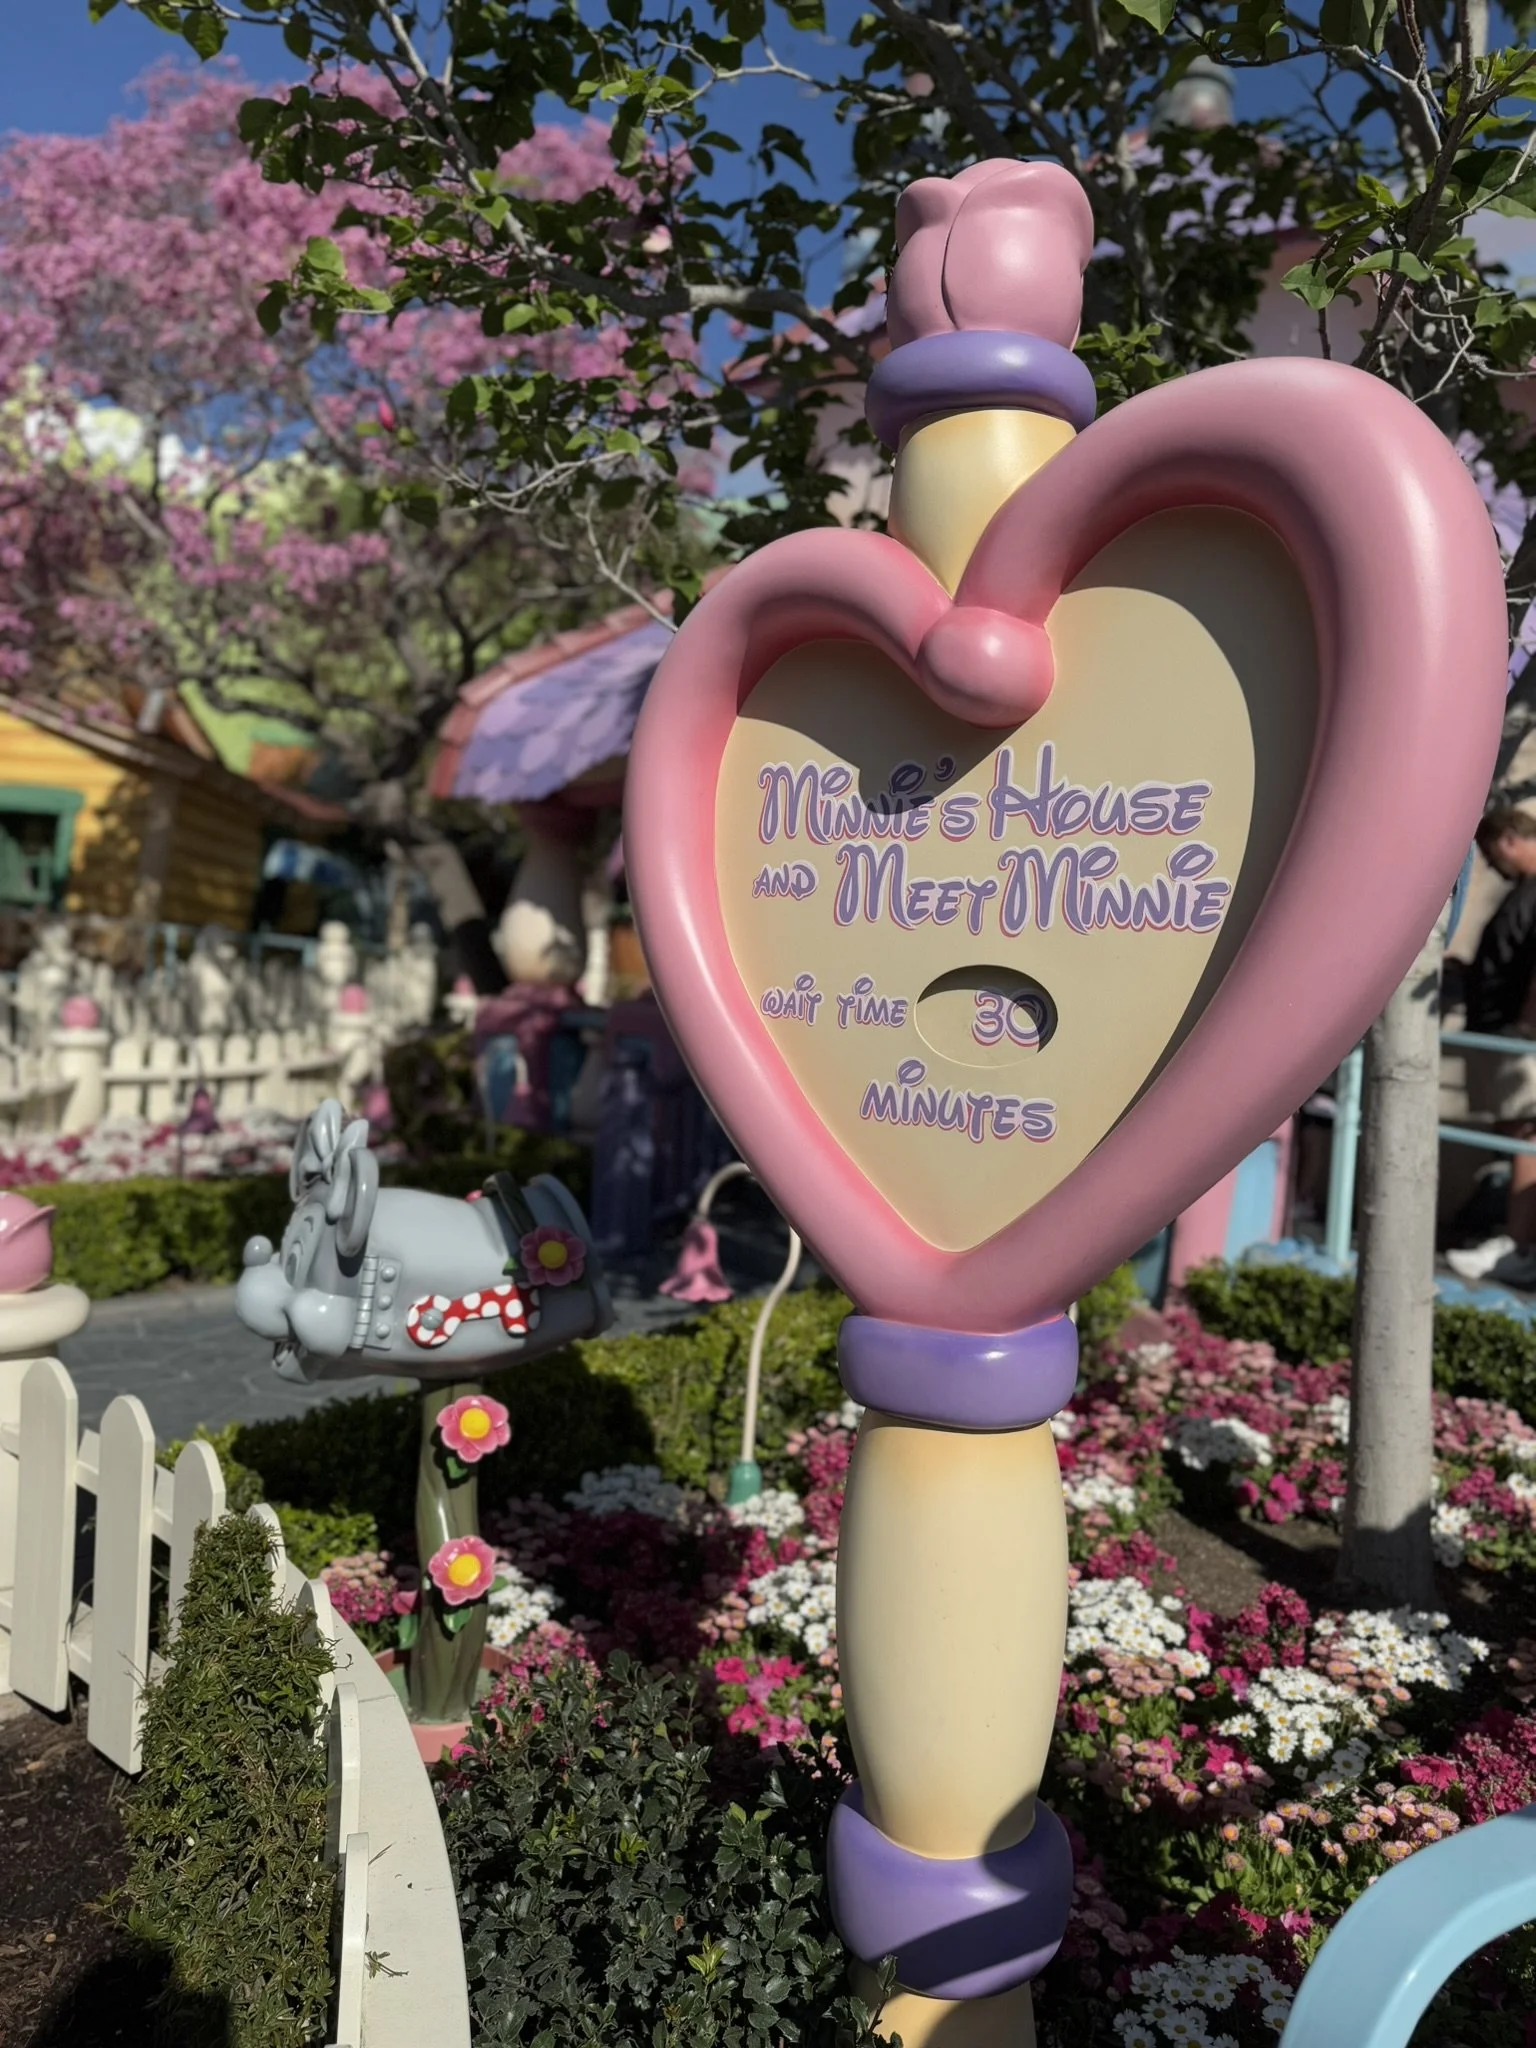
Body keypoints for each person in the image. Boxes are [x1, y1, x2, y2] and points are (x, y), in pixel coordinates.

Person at [1448, 807, 1536, 1286]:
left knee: (1523, 1133)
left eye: (1487, 852)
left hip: (1516, 1039)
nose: (1490, 864)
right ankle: (1515, 1241)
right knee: (1513, 1131)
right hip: (1501, 1033)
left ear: (1508, 840)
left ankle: (1517, 1248)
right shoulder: (1523, 890)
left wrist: (1525, 1027)